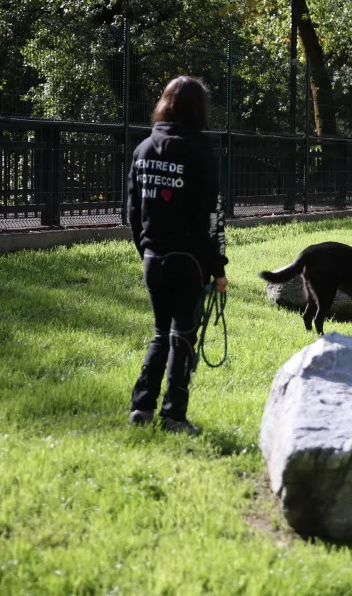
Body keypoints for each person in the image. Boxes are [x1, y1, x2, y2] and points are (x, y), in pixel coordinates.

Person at [126, 76, 228, 435]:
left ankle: (142, 408)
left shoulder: (142, 150)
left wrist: (148, 249)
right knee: (183, 336)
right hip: (189, 261)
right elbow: (212, 216)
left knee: (160, 334)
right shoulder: (201, 152)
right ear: (199, 109)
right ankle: (174, 417)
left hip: (154, 258)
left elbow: (133, 213)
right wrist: (218, 269)